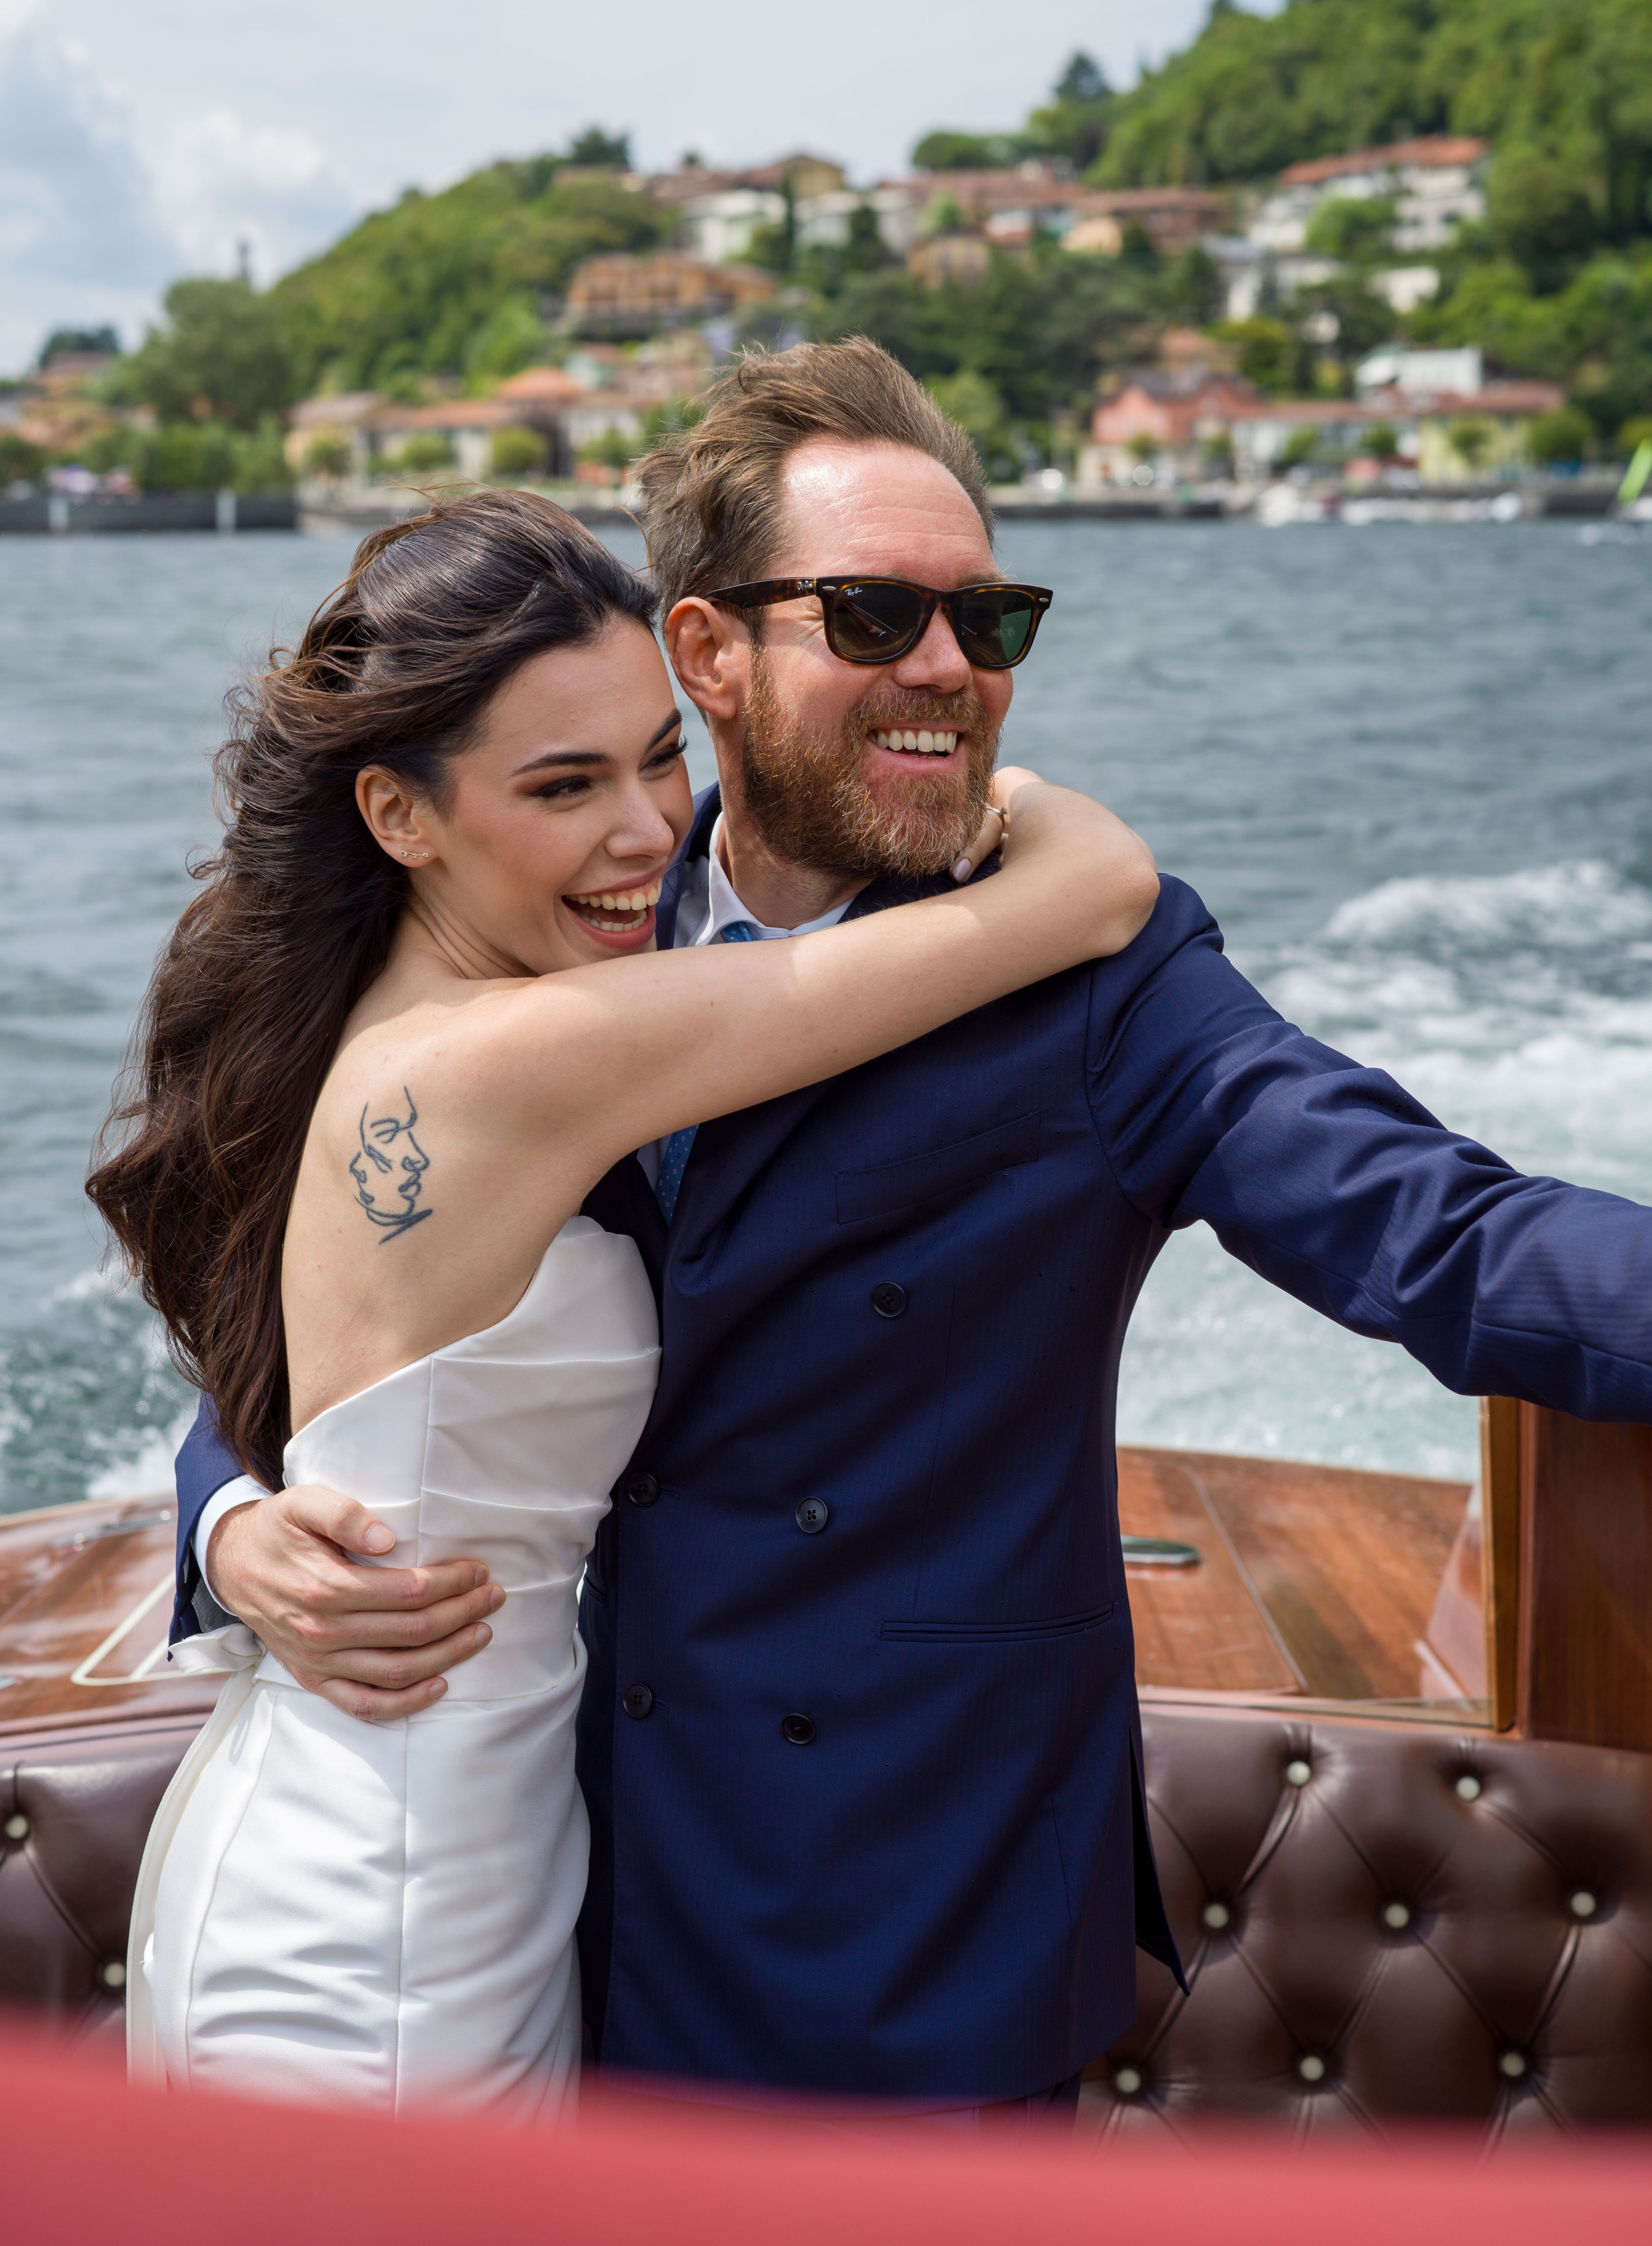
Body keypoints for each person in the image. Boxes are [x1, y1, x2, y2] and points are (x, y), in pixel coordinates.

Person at [173, 342, 1652, 2124]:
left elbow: (1448, 1238)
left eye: (990, 619)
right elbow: (367, 1302)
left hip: (893, 1934)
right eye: (877, 614)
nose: (948, 670)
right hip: (555, 1918)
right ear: (708, 651)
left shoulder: (1108, 986)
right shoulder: (565, 920)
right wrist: (236, 1515)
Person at [88, 485, 1156, 2114]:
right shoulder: (513, 1060)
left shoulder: (411, 1021)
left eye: (660, 755)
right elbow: (1081, 901)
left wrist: (232, 1510)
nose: (649, 832)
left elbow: (337, 1386)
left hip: (459, 1857)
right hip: (373, 1918)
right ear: (399, 815)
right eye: (561, 786)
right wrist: (1019, 800)